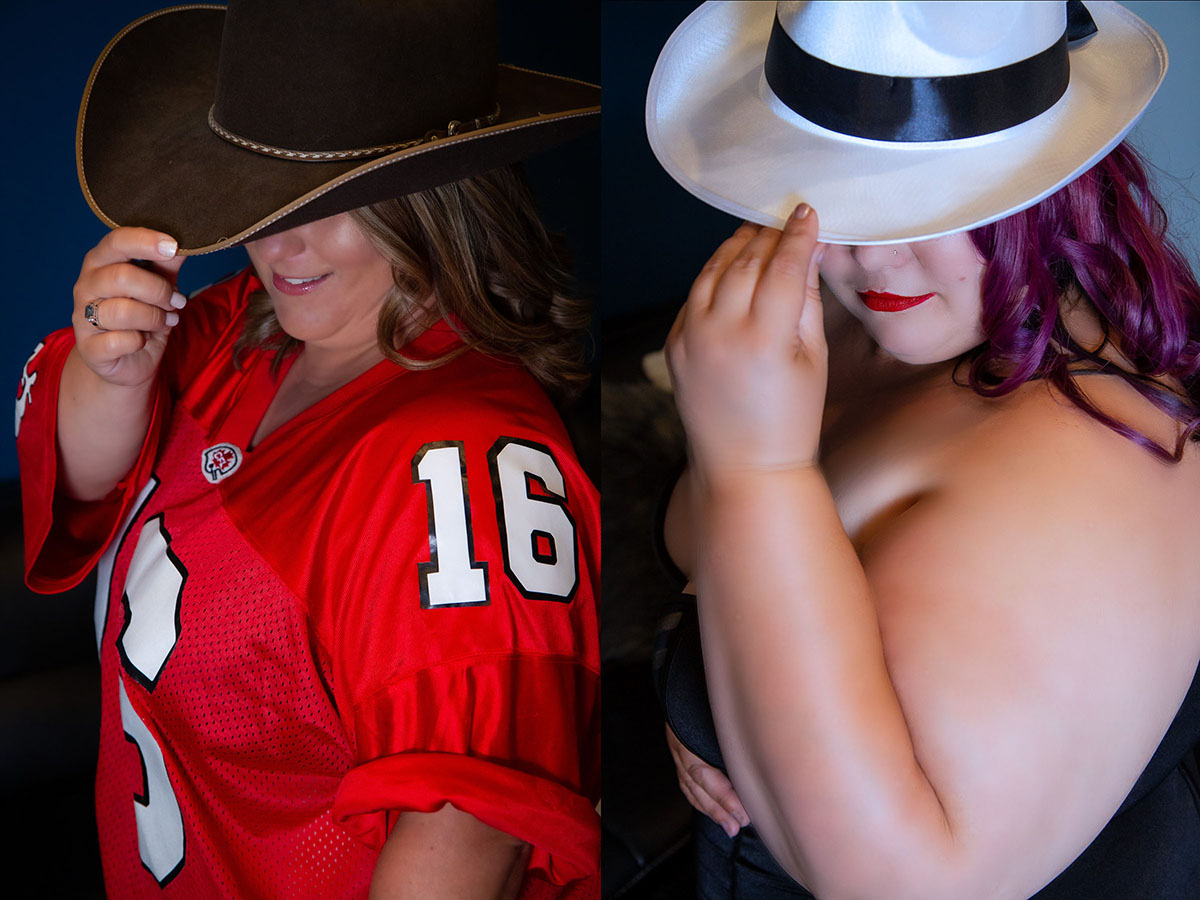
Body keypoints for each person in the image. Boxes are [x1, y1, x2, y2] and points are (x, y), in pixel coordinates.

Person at [15, 2, 600, 898]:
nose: (277, 245)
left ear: (437, 200)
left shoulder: (455, 462)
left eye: (331, 207)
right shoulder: (229, 333)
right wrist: (111, 365)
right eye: (259, 192)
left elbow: (461, 835)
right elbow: (88, 480)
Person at [644, 2, 1200, 898]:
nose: (874, 261)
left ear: (1052, 181)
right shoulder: (849, 313)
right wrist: (709, 675)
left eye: (930, 205)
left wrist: (755, 473)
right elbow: (692, 548)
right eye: (834, 191)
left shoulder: (1091, 460)